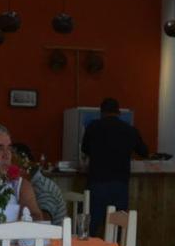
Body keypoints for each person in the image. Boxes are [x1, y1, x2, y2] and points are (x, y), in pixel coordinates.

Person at [81, 97, 148, 235]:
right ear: (118, 112)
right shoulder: (130, 130)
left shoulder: (93, 127)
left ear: (101, 112)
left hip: (97, 183)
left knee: (91, 225)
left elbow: (85, 149)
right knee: (118, 226)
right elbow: (144, 152)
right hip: (120, 184)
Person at [12, 143, 67, 225]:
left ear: (24, 167)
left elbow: (44, 222)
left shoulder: (43, 187)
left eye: (12, 166)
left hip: (52, 236)